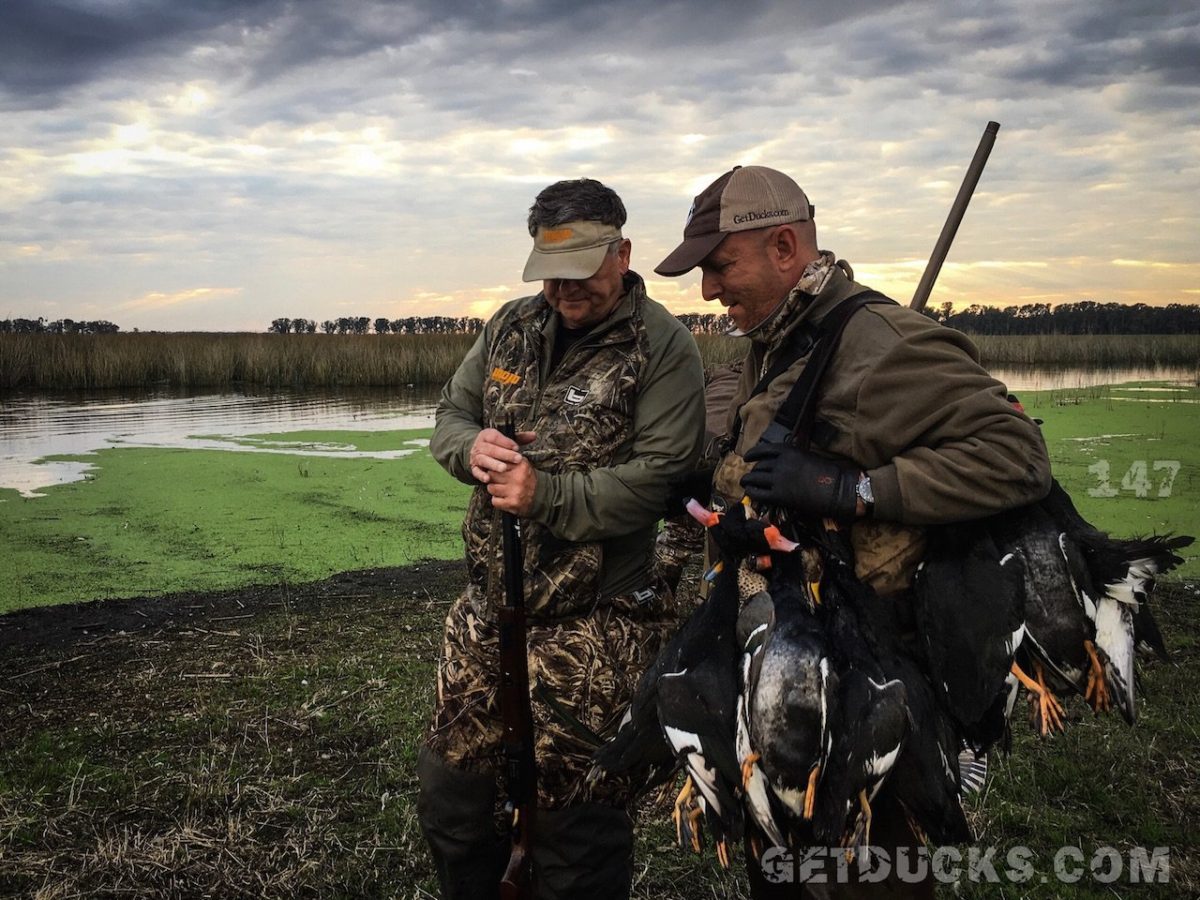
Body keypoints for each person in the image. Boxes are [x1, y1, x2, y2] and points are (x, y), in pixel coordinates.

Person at [655, 165, 1052, 898]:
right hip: (787, 665)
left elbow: (1018, 456)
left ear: (783, 247)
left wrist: (855, 488)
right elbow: (744, 420)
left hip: (869, 677)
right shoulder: (778, 338)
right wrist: (707, 469)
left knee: (869, 870)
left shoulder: (882, 341)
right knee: (783, 862)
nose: (708, 290)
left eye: (719, 266)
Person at [418, 177, 705, 899]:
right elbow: (450, 414)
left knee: (576, 831)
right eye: (550, 273)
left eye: (580, 273)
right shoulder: (510, 327)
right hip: (487, 614)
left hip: (596, 628)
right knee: (452, 802)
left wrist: (546, 495)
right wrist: (469, 449)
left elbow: (660, 479)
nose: (563, 290)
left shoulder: (664, 348)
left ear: (623, 252)